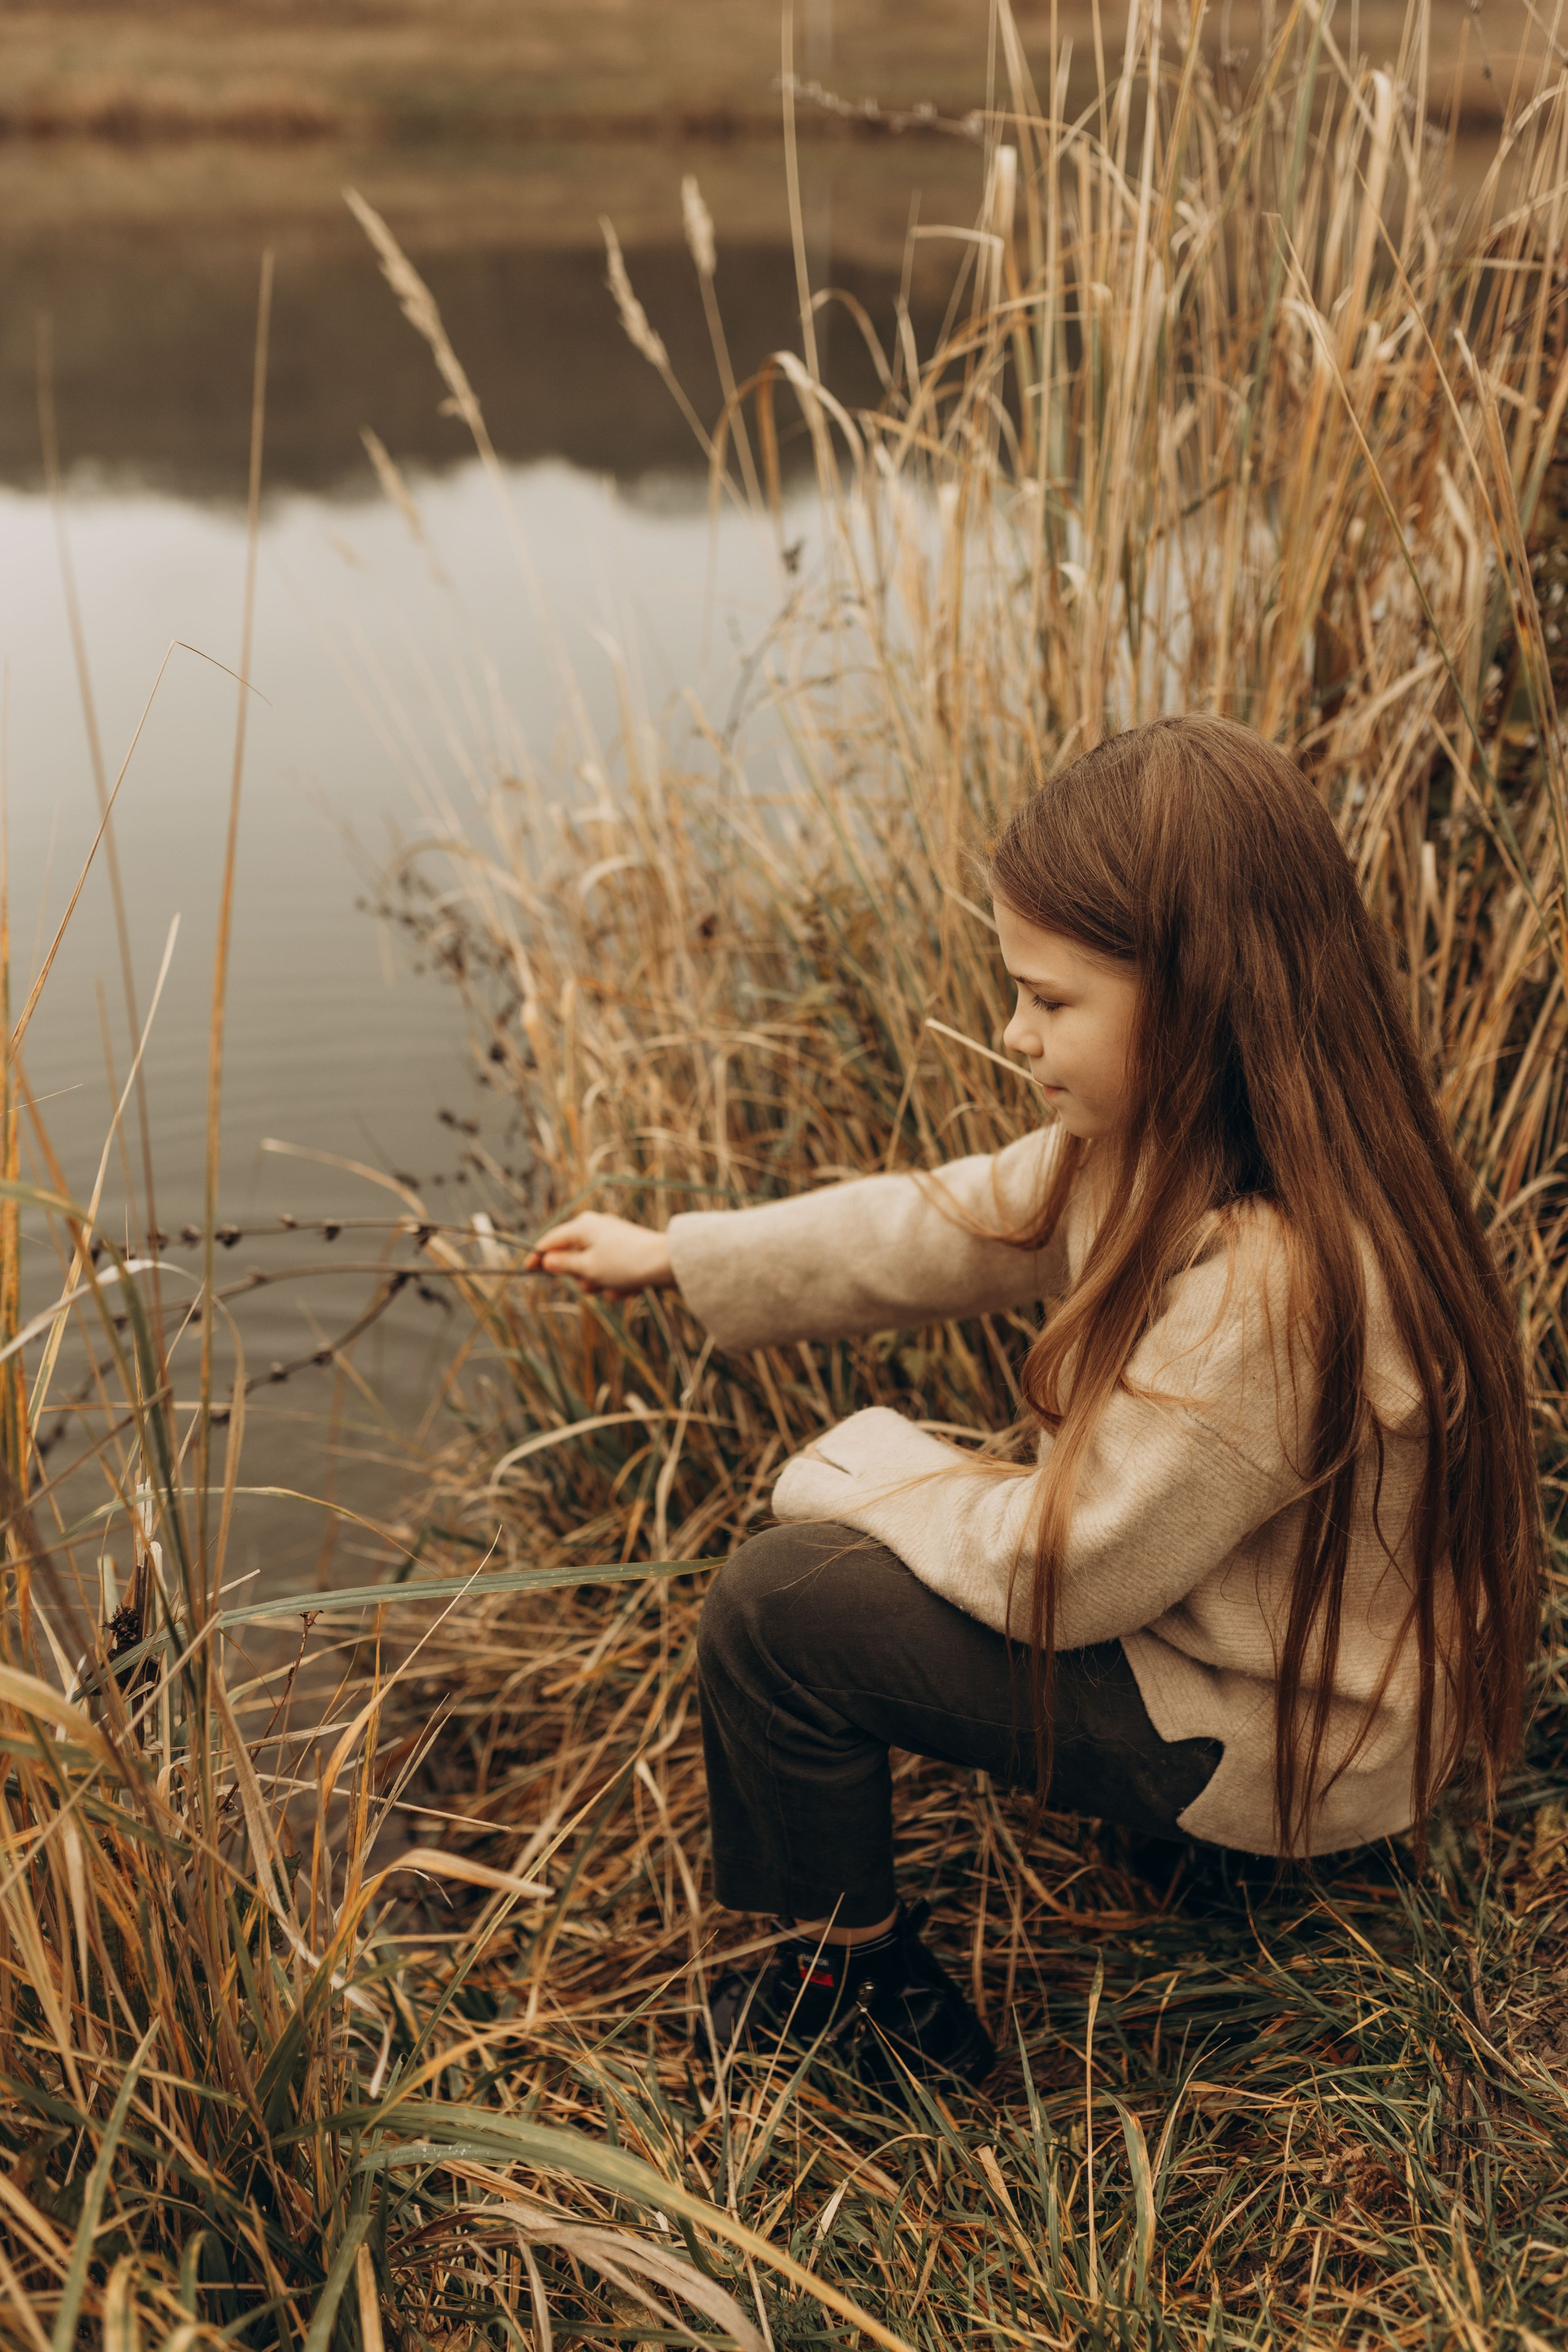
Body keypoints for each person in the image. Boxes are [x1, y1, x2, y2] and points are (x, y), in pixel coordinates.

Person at [525, 715, 1541, 2087]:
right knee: (829, 1576)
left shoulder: (1270, 1282)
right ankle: (1177, 1870)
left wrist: (860, 1471)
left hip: (1279, 1736)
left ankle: (859, 1998)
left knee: (778, 1612)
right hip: (1282, 1683)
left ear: (1196, 995)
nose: (1012, 1036)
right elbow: (941, 1221)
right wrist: (683, 1254)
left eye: (1049, 1001)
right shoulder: (1181, 1135)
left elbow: (1072, 1571)